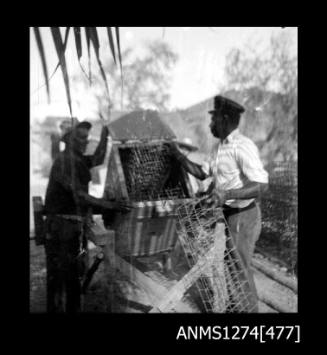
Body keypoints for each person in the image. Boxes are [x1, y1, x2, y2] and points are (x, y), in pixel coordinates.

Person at [169, 95, 269, 312]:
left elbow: (261, 185)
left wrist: (227, 194)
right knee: (230, 266)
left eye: (213, 120)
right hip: (228, 214)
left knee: (240, 268)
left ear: (224, 119)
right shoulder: (219, 148)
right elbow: (201, 173)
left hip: (244, 215)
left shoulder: (242, 146)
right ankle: (237, 306)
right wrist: (177, 156)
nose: (210, 125)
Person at [44, 119, 130, 313]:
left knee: (74, 277)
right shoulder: (64, 161)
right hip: (61, 228)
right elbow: (79, 195)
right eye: (80, 138)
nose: (84, 142)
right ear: (69, 140)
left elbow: (99, 158)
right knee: (61, 281)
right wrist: (109, 204)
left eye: (86, 138)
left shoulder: (79, 159)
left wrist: (105, 134)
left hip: (73, 226)